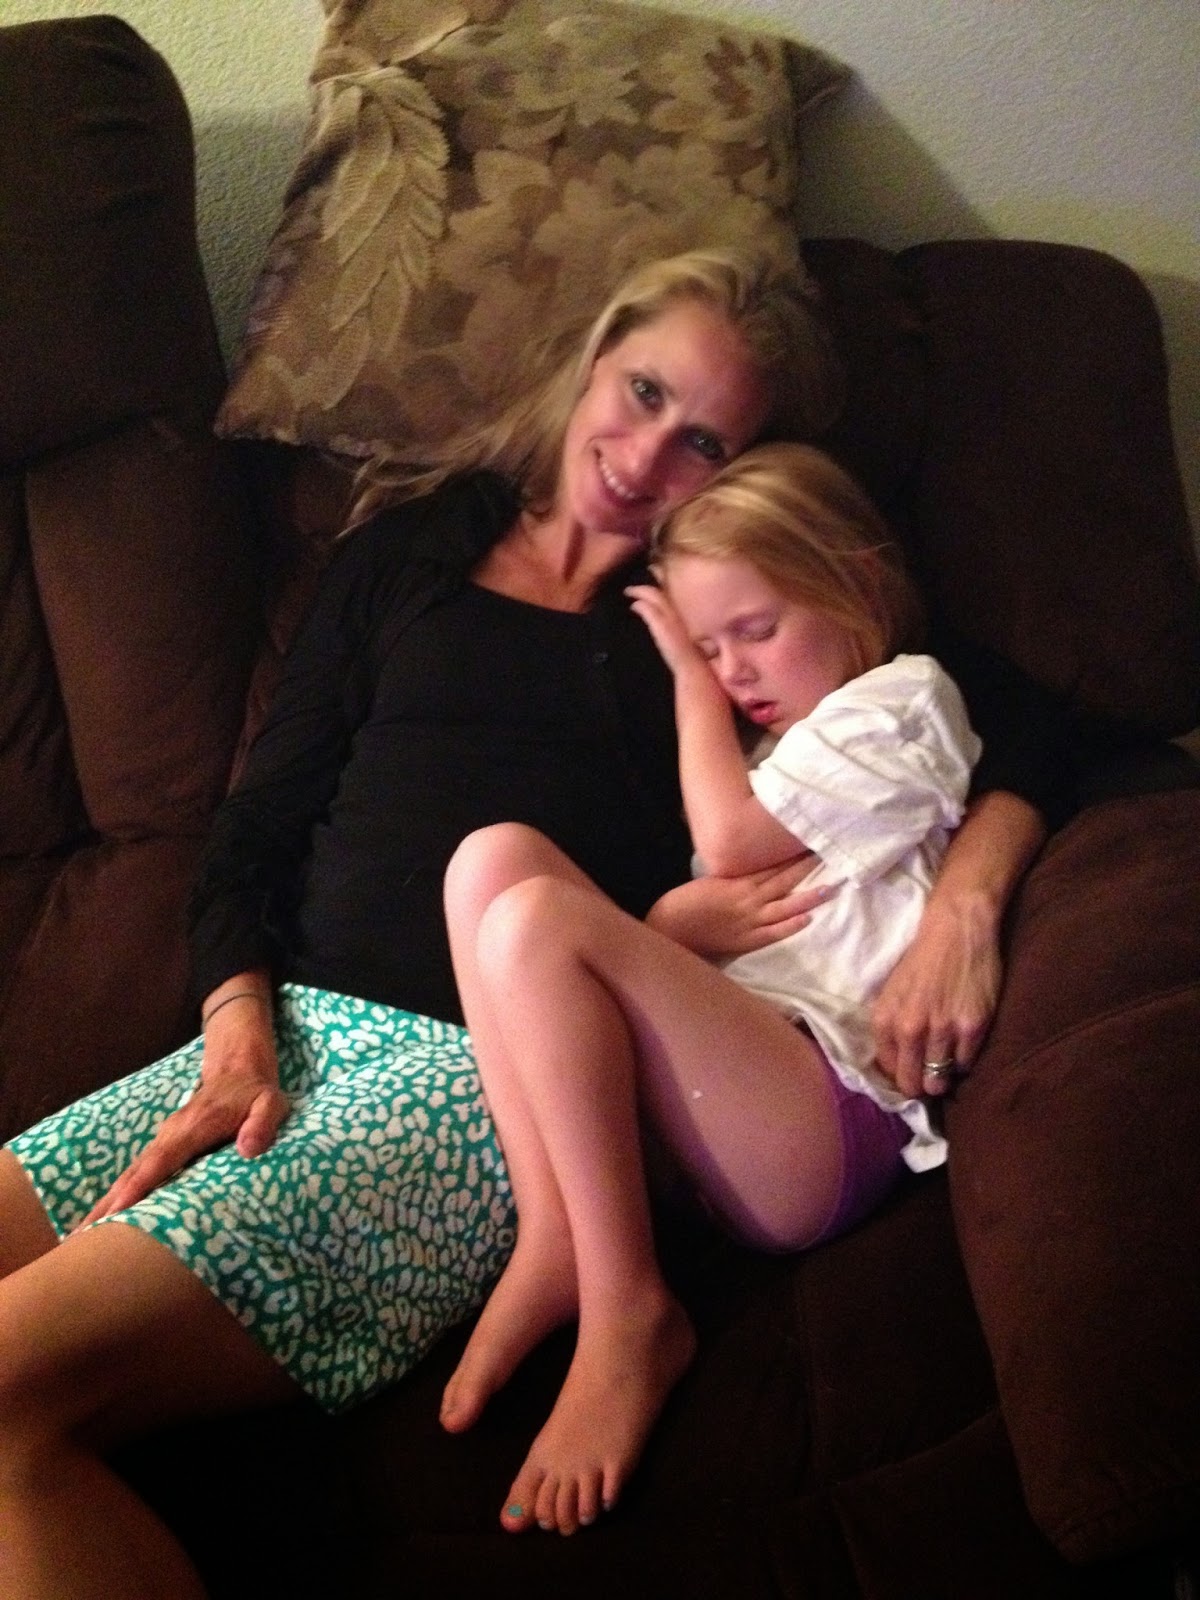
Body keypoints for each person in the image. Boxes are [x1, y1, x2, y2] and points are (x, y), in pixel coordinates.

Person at [0, 245, 1055, 1597]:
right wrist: (237, 1033)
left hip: (476, 1082)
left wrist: (969, 898)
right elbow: (254, 828)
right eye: (645, 391)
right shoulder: (403, 556)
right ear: (593, 359)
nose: (646, 454)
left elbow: (1022, 718)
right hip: (284, 1033)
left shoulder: (713, 623)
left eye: (705, 441)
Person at [436, 442, 982, 1537]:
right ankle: (558, 1233)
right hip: (729, 1104)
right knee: (487, 862)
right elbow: (709, 937)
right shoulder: (779, 752)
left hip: (827, 1119)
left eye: (754, 630)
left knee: (539, 917)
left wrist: (685, 684)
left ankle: (632, 1309)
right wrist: (671, 927)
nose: (732, 671)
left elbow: (730, 844)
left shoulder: (904, 701)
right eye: (709, 647)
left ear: (858, 584)